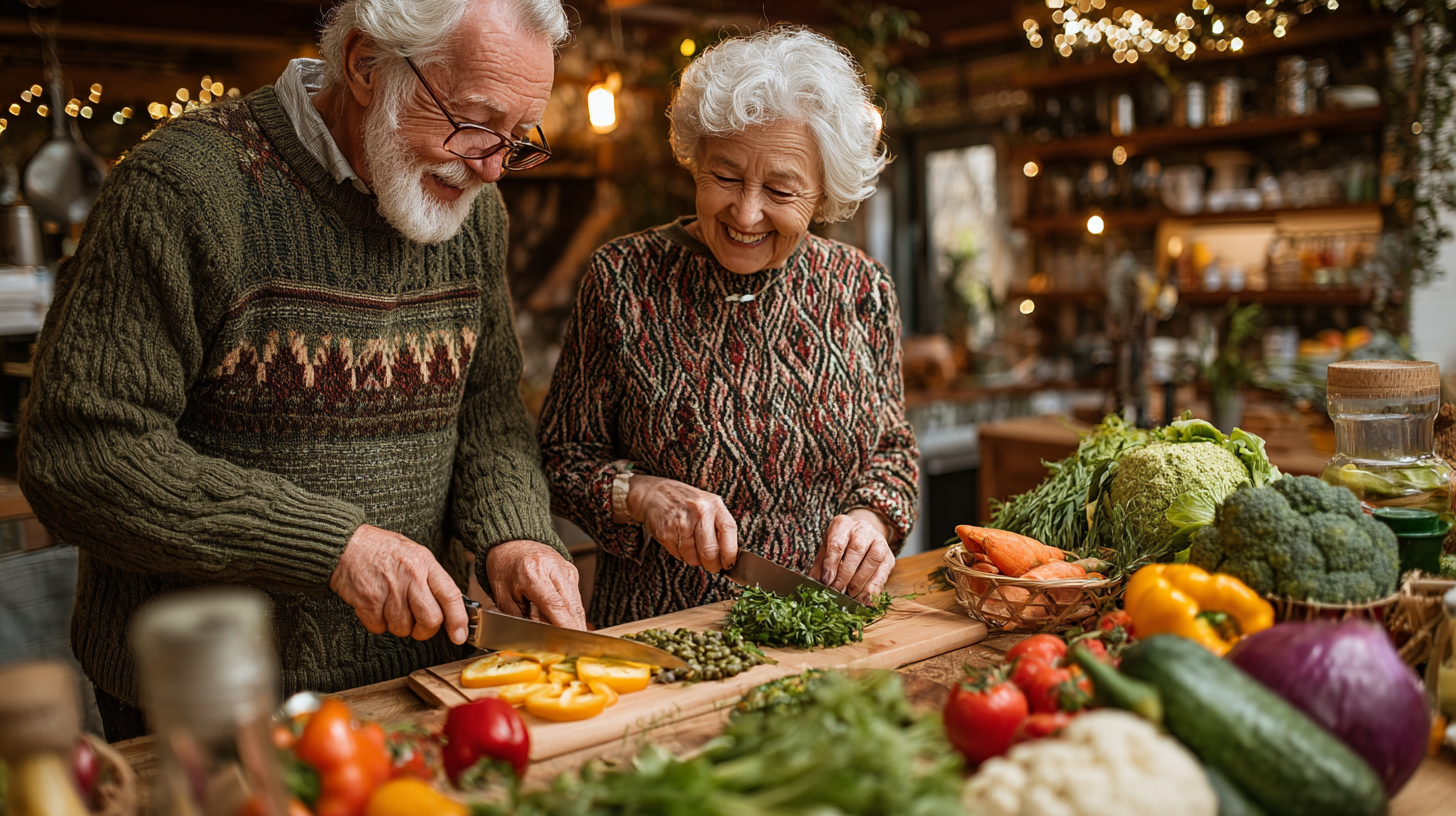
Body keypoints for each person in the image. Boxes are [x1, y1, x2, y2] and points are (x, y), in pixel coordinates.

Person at [18, 0, 586, 743]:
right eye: (474, 121)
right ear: (364, 64)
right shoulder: (183, 189)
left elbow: (487, 415)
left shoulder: (474, 211)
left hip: (420, 685)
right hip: (210, 698)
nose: (490, 164)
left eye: (516, 137)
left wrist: (514, 533)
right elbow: (80, 456)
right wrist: (334, 546)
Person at [538, 27, 918, 628]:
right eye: (726, 176)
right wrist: (643, 496)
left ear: (823, 194)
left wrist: (873, 518)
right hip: (665, 640)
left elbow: (893, 452)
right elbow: (560, 459)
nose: (745, 213)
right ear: (695, 159)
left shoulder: (860, 286)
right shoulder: (623, 278)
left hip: (820, 627)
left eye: (780, 189)